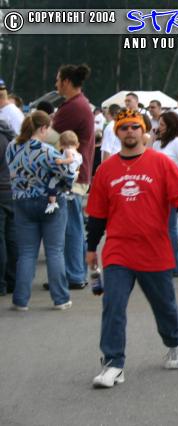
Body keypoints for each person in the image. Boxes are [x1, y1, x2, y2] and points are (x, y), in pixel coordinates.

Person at [86, 109, 178, 388]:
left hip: (154, 249)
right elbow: (97, 214)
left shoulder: (161, 163)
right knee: (113, 304)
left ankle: (173, 342)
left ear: (144, 130)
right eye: (124, 128)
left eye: (135, 127)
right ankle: (113, 363)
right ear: (117, 132)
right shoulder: (105, 170)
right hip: (118, 250)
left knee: (164, 306)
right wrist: (90, 247)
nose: (130, 132)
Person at [5, 111, 75, 310]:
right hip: (49, 202)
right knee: (54, 251)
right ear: (43, 128)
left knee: (27, 253)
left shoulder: (12, 147)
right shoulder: (47, 151)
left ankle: (20, 300)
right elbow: (67, 175)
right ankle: (60, 299)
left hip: (21, 201)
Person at [51, 63, 95, 291]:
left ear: (67, 82)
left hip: (71, 176)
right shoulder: (79, 104)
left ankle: (74, 274)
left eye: (58, 79)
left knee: (70, 227)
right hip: (78, 173)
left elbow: (50, 136)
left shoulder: (73, 107)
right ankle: (76, 271)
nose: (56, 84)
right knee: (74, 224)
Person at [153, 111, 178, 277]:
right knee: (168, 227)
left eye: (162, 125)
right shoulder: (158, 143)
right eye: (159, 124)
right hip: (159, 190)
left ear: (170, 126)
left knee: (171, 227)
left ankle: (176, 265)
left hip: (174, 190)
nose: (159, 127)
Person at [45, 130, 83, 214]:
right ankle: (67, 191)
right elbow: (78, 167)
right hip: (72, 176)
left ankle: (52, 202)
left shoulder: (67, 150)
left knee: (52, 182)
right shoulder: (79, 155)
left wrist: (61, 161)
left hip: (65, 173)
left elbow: (70, 159)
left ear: (61, 145)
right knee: (63, 185)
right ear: (77, 144)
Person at [0, 118, 16, 296]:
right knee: (12, 238)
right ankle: (13, 279)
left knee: (1, 239)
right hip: (12, 189)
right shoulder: (9, 136)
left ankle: (1, 283)